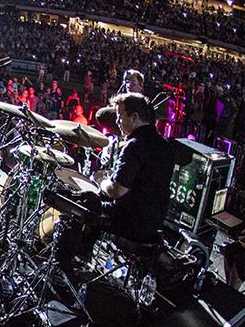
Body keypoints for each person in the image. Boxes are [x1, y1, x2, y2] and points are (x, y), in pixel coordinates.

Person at [56, 92, 174, 273]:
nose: (117, 122)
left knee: (85, 202)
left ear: (134, 117)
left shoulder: (134, 145)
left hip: (132, 221)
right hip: (154, 220)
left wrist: (102, 181)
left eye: (120, 116)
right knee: (96, 202)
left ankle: (69, 263)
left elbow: (117, 191)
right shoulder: (164, 145)